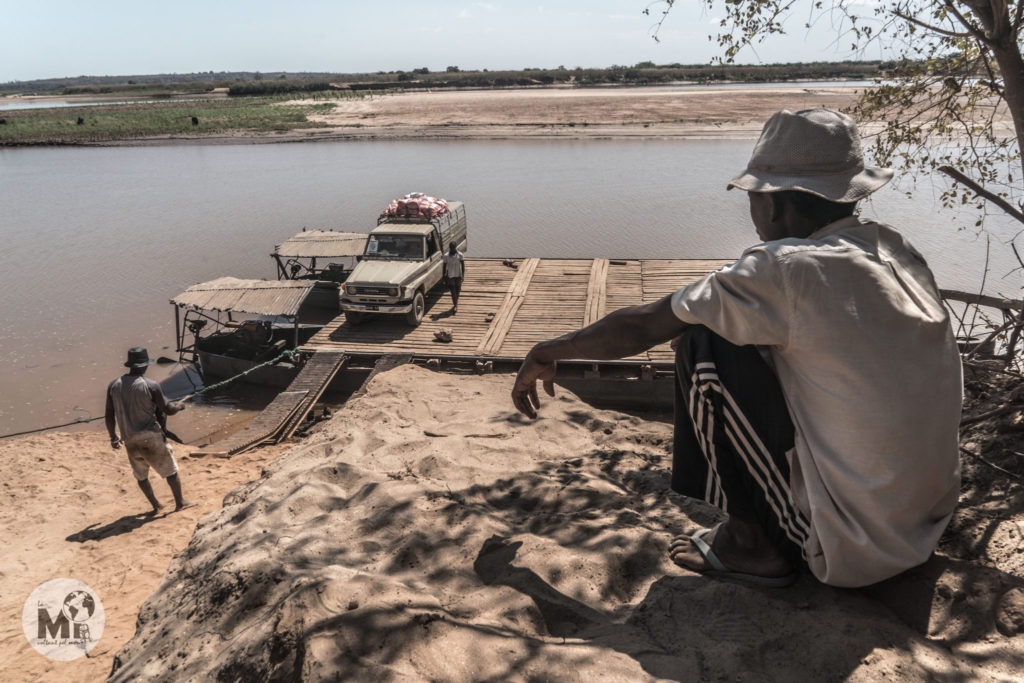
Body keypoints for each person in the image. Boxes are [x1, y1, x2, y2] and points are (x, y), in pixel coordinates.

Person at [511, 109, 962, 588]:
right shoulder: (896, 249)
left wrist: (547, 350)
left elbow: (641, 327)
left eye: (753, 198)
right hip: (922, 524)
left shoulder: (785, 267)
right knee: (733, 331)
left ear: (773, 205)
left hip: (855, 547)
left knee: (702, 342)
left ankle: (753, 544)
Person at [105, 347, 195, 514]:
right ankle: (180, 502)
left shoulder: (114, 385)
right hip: (150, 436)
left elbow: (109, 415)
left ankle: (156, 505)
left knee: (141, 475)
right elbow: (168, 410)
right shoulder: (151, 385)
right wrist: (179, 406)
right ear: (144, 365)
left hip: (129, 439)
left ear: (130, 365)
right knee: (171, 471)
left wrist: (113, 437)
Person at [442, 242, 466, 313]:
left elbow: (463, 266)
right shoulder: (446, 256)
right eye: (451, 248)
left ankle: (456, 302)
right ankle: (455, 305)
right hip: (450, 276)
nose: (452, 249)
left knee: (458, 290)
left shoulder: (460, 255)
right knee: (453, 292)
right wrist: (443, 276)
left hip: (458, 275)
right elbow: (444, 266)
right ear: (449, 248)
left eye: (453, 248)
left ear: (456, 247)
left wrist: (463, 275)